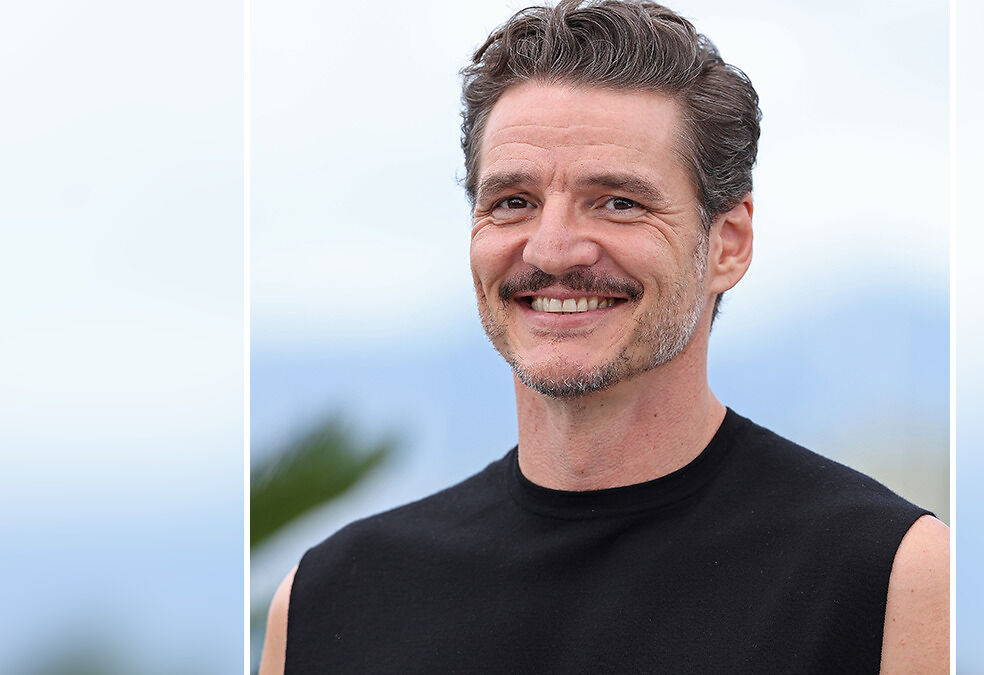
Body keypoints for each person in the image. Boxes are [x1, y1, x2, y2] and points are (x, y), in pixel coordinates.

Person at [261, 0, 949, 672]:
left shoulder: (892, 579)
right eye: (513, 202)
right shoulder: (329, 601)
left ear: (728, 243)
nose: (552, 250)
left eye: (618, 202)